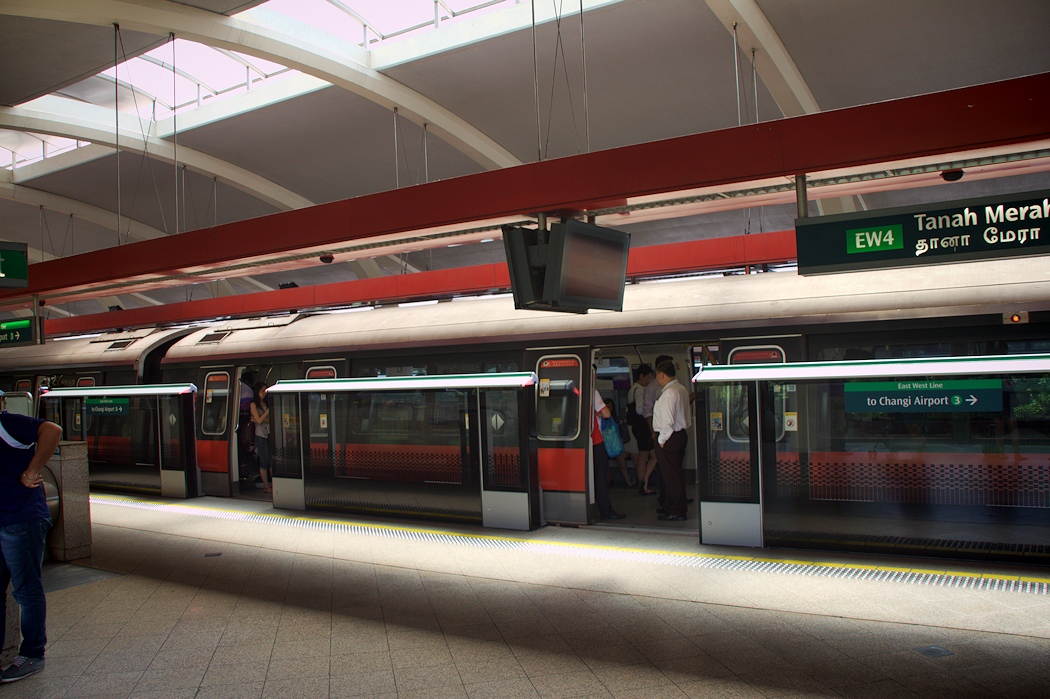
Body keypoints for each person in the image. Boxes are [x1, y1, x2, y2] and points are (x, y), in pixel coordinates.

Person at [0, 406, 62, 683]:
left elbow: (52, 430)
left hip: (21, 519)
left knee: (26, 589)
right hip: (5, 518)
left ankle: (33, 653)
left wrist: (31, 471)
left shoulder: (7, 423)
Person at [652, 360, 692, 521]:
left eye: (657, 376)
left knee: (671, 476)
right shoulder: (681, 388)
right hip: (679, 435)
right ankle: (670, 506)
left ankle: (677, 510)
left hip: (669, 438)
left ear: (662, 374)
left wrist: (661, 440)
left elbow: (667, 421)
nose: (657, 379)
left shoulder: (669, 393)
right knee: (673, 474)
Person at [591, 371, 624, 520]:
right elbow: (606, 414)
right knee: (601, 477)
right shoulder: (592, 391)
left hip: (585, 442)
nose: (596, 377)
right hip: (597, 440)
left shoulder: (576, 389)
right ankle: (606, 510)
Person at [642, 355, 673, 504]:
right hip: (660, 431)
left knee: (670, 467)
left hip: (669, 431)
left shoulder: (672, 388)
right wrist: (654, 433)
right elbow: (648, 411)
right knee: (662, 466)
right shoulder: (653, 388)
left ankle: (671, 498)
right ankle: (664, 498)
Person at [627, 364, 657, 495]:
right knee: (648, 456)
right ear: (641, 376)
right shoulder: (639, 390)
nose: (649, 381)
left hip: (636, 427)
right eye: (648, 378)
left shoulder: (632, 389)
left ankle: (643, 483)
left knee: (644, 455)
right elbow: (640, 409)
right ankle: (643, 482)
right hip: (642, 427)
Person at [250, 382, 272, 494]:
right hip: (260, 435)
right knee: (264, 460)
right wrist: (267, 413)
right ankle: (266, 485)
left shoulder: (265, 403)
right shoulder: (253, 404)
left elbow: (263, 420)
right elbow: (259, 421)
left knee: (271, 459)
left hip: (268, 433)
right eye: (262, 391)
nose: (264, 393)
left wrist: (260, 419)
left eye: (265, 391)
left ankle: (272, 482)